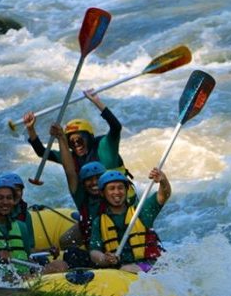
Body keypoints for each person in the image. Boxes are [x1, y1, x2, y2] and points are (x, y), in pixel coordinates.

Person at [0, 178, 67, 282]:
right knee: (14, 278)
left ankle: (33, 281)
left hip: (23, 277)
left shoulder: (21, 227)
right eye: (0, 198)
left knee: (60, 265)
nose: (5, 202)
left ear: (13, 201)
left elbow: (28, 255)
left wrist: (46, 251)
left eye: (9, 198)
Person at [23, 91, 132, 178]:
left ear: (89, 138)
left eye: (79, 140)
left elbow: (116, 127)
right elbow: (42, 152)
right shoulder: (71, 157)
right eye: (71, 142)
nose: (76, 144)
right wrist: (30, 129)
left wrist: (97, 102)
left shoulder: (104, 145)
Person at [89, 169, 171, 273]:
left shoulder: (140, 211)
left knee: (126, 269)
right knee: (124, 268)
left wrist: (163, 181)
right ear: (102, 193)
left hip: (150, 265)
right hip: (121, 270)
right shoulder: (99, 221)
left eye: (120, 188)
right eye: (111, 188)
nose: (117, 192)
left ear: (127, 190)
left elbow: (163, 195)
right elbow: (94, 252)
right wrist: (105, 259)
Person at [52, 121, 107, 267]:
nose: (94, 183)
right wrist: (61, 138)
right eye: (89, 180)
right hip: (96, 251)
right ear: (83, 183)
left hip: (113, 246)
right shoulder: (82, 195)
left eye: (97, 179)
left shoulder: (112, 194)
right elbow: (70, 171)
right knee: (67, 245)